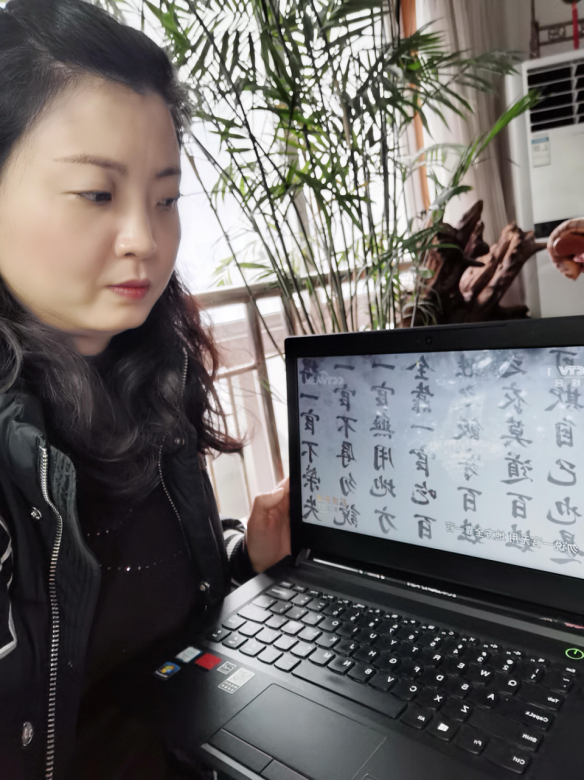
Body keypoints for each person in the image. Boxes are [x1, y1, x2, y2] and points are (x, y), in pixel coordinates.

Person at [0, 1, 291, 778]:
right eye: (97, 194)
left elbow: (158, 606)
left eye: (165, 199)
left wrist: (248, 560)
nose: (146, 239)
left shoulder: (149, 371)